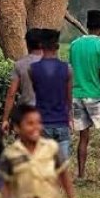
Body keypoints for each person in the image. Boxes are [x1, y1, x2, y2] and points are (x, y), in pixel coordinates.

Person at [69, 10, 100, 179]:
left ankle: (81, 173)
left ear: (88, 26)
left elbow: (71, 71)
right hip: (95, 95)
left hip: (77, 94)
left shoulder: (74, 45)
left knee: (83, 136)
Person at [28, 29, 73, 163]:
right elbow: (69, 98)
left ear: (41, 46)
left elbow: (34, 94)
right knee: (62, 166)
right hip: (62, 122)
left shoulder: (33, 69)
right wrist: (69, 117)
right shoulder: (67, 69)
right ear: (57, 46)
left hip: (42, 123)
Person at [2, 29, 44, 133]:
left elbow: (11, 94)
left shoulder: (20, 64)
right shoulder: (54, 65)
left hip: (26, 112)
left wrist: (5, 119)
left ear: (27, 44)